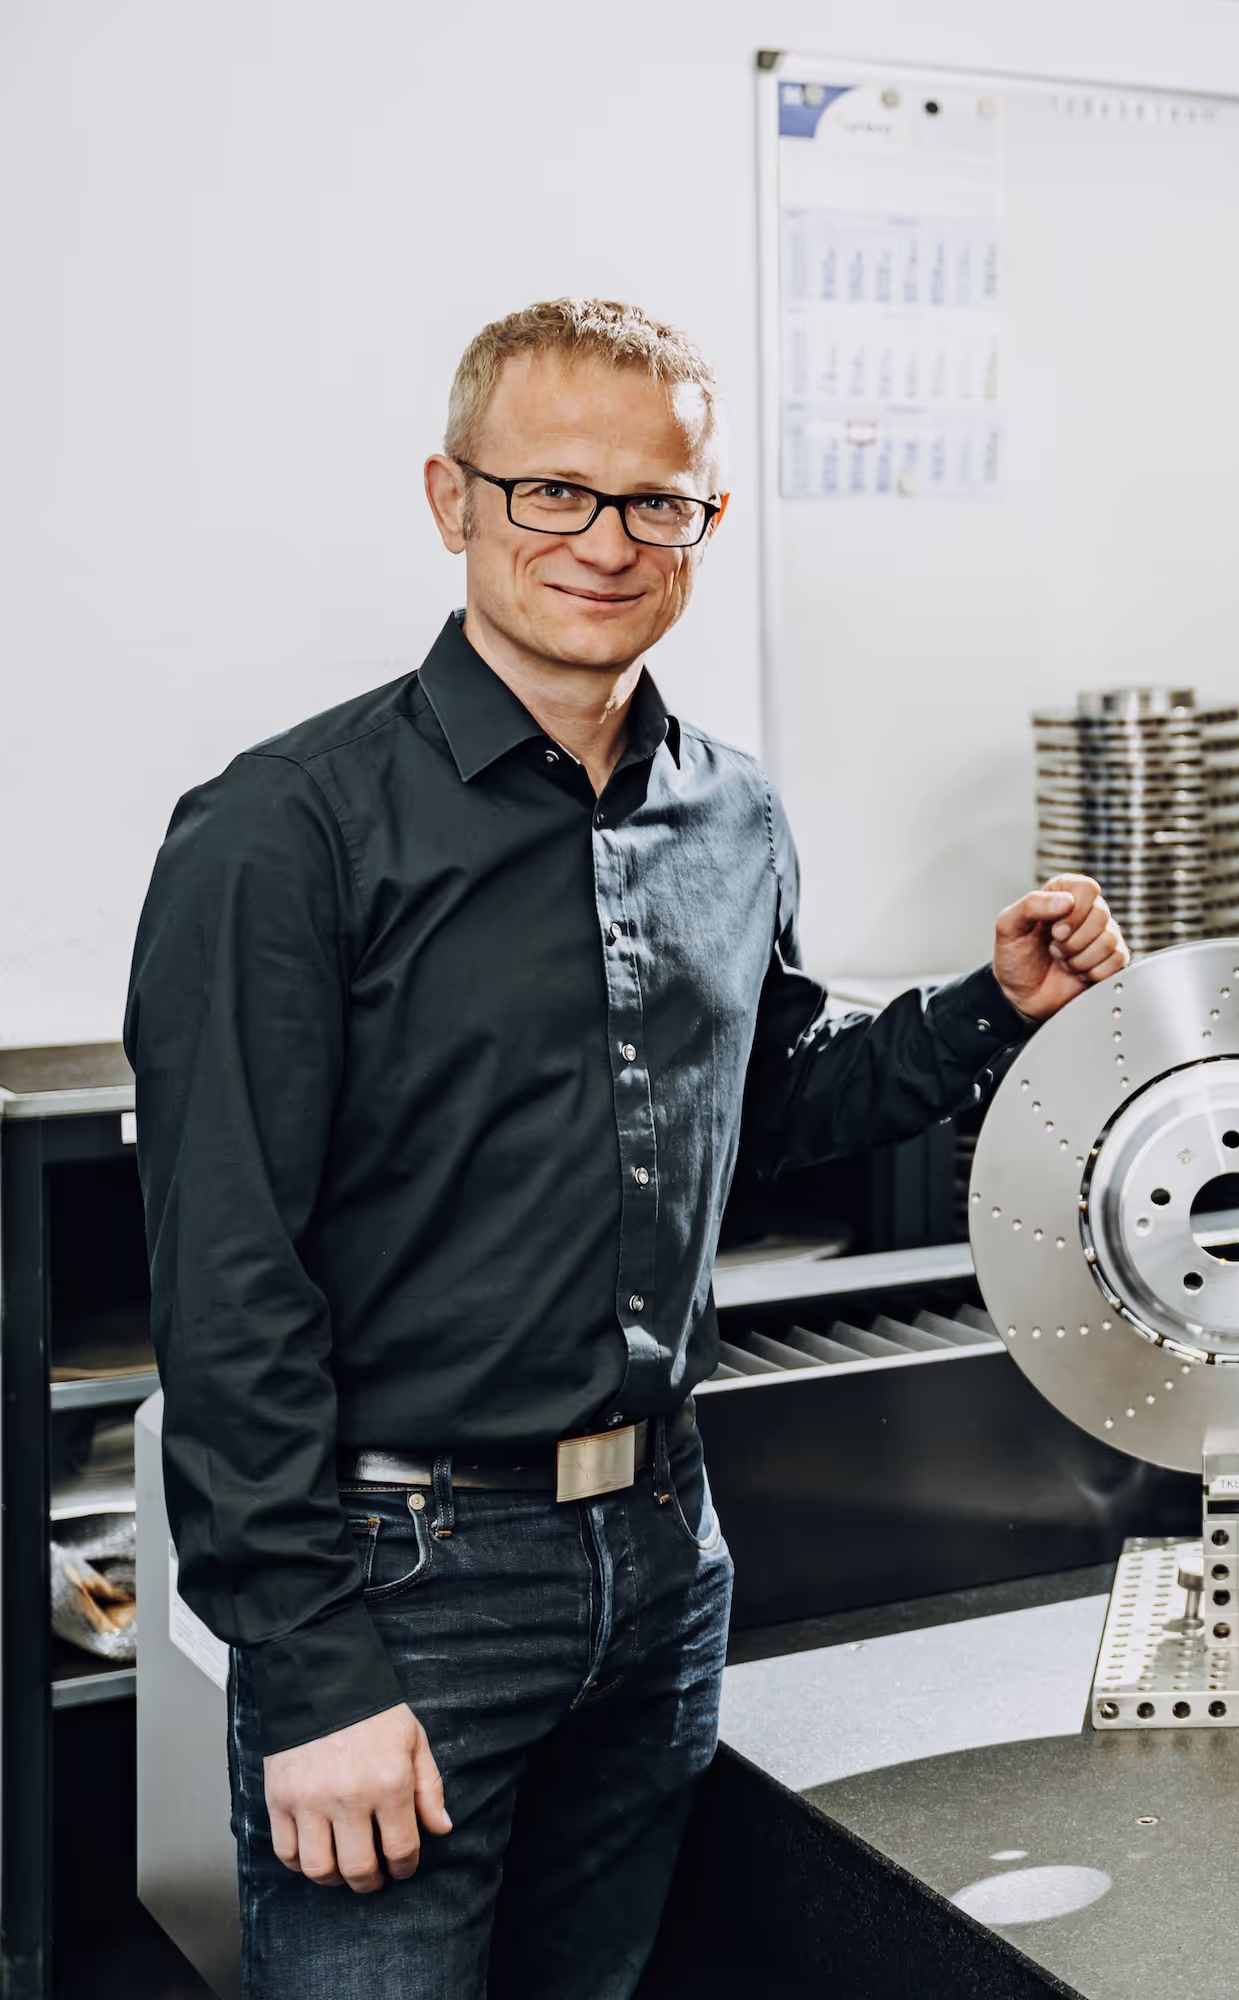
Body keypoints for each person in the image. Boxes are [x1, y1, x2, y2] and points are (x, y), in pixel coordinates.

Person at [123, 297, 1123, 1998]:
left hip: (663, 1554)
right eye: (553, 494)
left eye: (658, 501)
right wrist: (308, 1670)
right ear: (453, 501)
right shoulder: (280, 835)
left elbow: (768, 1109)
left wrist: (986, 1011)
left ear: (705, 521)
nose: (607, 541)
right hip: (404, 1580)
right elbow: (228, 1278)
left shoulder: (730, 811)